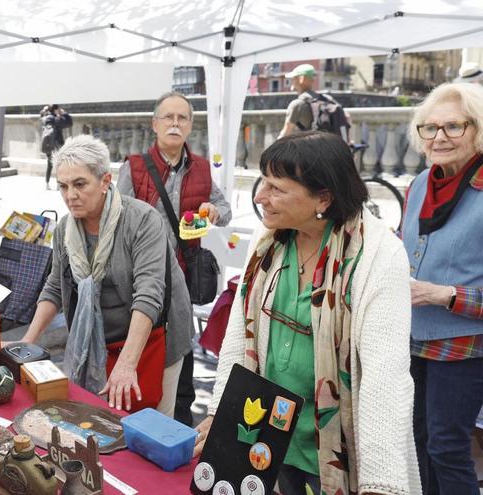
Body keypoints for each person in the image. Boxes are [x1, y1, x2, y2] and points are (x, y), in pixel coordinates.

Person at [194, 132, 420, 495]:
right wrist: (221, 413)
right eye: (262, 182)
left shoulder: (380, 255)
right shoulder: (269, 239)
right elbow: (238, 336)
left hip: (335, 452)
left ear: (324, 198)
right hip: (265, 438)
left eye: (276, 188)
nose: (259, 197)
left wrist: (381, 482)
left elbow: (385, 376)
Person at [21, 135, 192, 416]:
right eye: (63, 186)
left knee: (151, 427)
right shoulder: (65, 229)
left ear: (105, 181)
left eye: (79, 184)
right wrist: (29, 340)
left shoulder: (142, 220)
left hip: (154, 339)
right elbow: (55, 285)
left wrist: (127, 364)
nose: (70, 195)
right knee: (98, 422)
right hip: (98, 341)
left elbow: (149, 295)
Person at [117, 91, 231, 427]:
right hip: (141, 280)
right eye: (168, 117)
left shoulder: (201, 170)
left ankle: (178, 425)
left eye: (182, 118)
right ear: (155, 124)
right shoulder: (134, 167)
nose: (175, 123)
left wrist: (213, 212)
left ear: (190, 126)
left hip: (182, 278)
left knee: (181, 350)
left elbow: (224, 211)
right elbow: (118, 217)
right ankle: (136, 414)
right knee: (142, 346)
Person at [404, 82, 483, 495]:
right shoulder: (419, 185)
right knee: (415, 442)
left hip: (463, 346)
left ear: (478, 128)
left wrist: (444, 294)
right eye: (430, 128)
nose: (439, 137)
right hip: (412, 338)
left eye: (454, 126)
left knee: (448, 447)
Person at [278, 64, 318, 139]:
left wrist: (272, 150)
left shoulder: (297, 104)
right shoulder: (326, 100)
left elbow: (285, 134)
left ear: (301, 79)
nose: (292, 81)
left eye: (294, 78)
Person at [41, 103, 73, 189]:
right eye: (58, 109)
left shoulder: (46, 118)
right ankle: (58, 184)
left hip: (48, 143)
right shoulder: (57, 119)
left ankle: (47, 183)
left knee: (50, 164)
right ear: (55, 110)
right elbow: (69, 123)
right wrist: (64, 113)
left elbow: (41, 116)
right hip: (57, 144)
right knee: (58, 164)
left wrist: (45, 111)